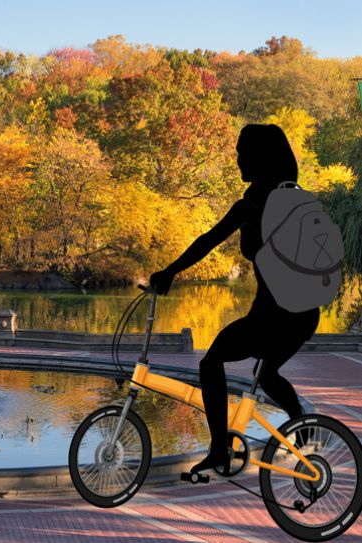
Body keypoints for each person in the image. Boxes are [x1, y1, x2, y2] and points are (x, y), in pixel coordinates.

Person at [149, 124, 320, 475]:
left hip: (277, 316)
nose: (238, 159)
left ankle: (219, 451)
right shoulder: (296, 196)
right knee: (266, 373)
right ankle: (303, 426)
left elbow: (207, 241)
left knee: (210, 364)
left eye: (243, 153)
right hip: (300, 313)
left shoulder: (253, 204)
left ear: (260, 158)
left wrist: (168, 272)